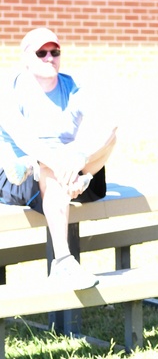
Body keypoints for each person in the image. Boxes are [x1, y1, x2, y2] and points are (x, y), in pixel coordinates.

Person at [0, 27, 117, 289]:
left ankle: (81, 178)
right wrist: (66, 170)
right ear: (26, 57)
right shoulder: (9, 90)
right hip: (22, 174)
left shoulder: (71, 87)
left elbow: (108, 123)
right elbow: (27, 142)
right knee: (46, 165)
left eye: (55, 52)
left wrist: (79, 159)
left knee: (110, 138)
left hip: (72, 172)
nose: (50, 57)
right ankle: (63, 261)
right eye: (42, 53)